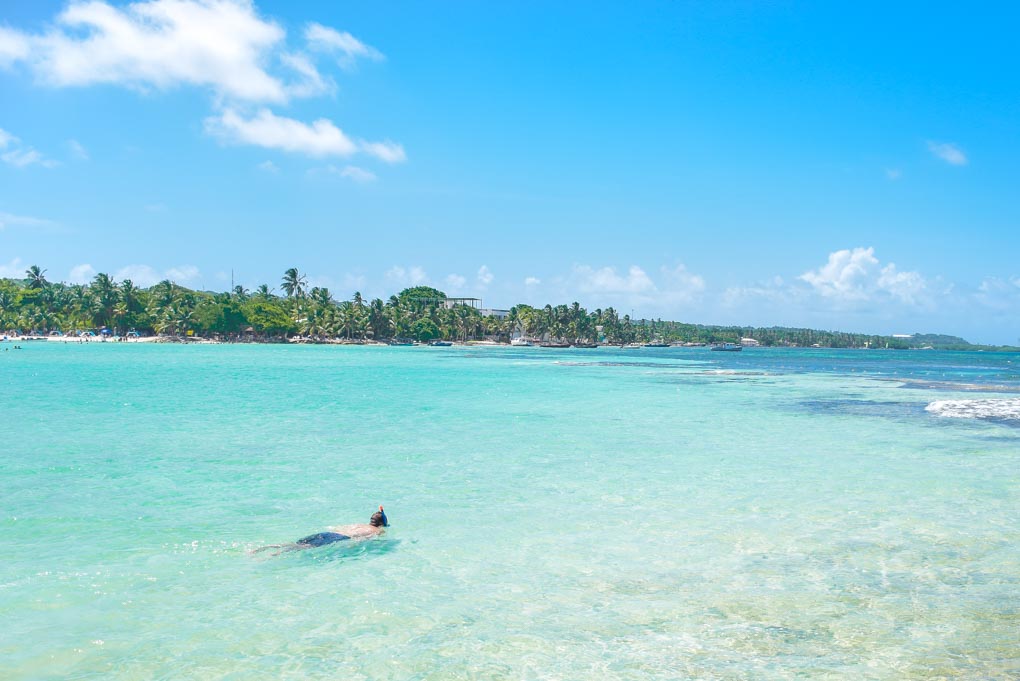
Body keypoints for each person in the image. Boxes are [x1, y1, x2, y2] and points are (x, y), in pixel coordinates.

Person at [252, 506, 389, 555]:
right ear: (381, 524)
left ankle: (263, 548)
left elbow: (334, 528)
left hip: (327, 534)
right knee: (301, 548)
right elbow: (359, 540)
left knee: (296, 543)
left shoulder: (357, 524)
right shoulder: (376, 531)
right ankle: (273, 555)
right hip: (337, 538)